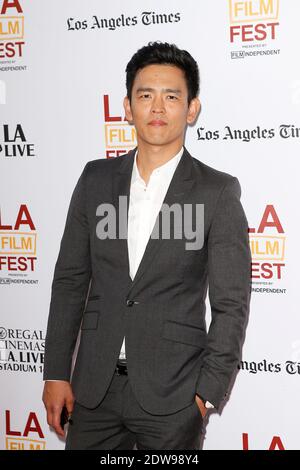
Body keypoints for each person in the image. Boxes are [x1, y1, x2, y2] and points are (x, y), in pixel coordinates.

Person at [42, 41, 251, 450]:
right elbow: (69, 282)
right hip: (93, 391)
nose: (158, 108)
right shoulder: (95, 180)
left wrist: (205, 395)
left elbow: (232, 305)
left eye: (171, 96)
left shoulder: (217, 191)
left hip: (175, 396)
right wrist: (55, 373)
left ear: (191, 109)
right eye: (146, 95)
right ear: (127, 105)